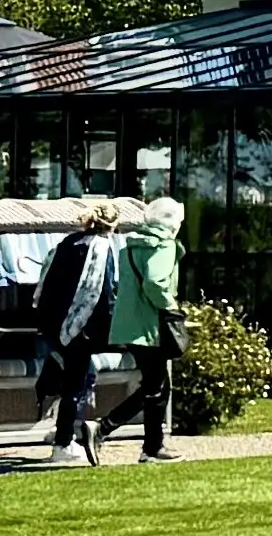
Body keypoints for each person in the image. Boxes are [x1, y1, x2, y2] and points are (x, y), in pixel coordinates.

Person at [103, 195, 186, 461]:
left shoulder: (131, 245)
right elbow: (155, 282)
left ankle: (150, 447)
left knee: (156, 385)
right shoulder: (164, 245)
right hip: (151, 326)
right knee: (157, 387)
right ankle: (106, 428)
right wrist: (170, 306)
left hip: (129, 326)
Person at [36, 221, 113, 460]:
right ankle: (63, 442)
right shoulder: (101, 247)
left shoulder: (68, 243)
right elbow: (102, 288)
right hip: (81, 324)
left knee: (69, 373)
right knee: (76, 383)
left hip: (53, 320)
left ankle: (59, 427)